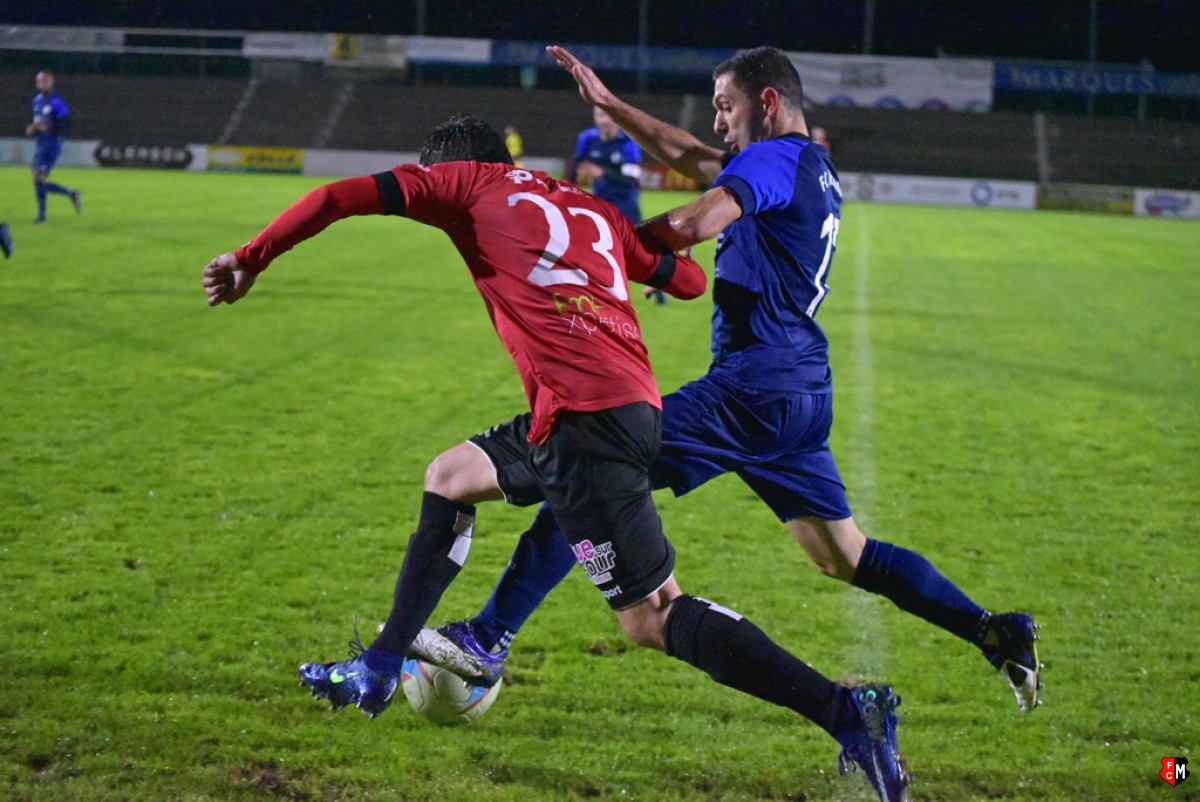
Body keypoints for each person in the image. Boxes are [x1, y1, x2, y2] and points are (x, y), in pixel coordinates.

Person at [202, 115, 910, 802]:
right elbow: (685, 282)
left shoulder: (462, 185)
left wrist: (250, 258)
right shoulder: (584, 203)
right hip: (622, 407)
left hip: (585, 426)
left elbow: (334, 197)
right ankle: (381, 662)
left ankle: (848, 713)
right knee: (450, 476)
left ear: (448, 166)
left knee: (653, 617)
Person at [413, 44, 1042, 733]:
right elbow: (690, 155)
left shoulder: (772, 159)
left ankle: (487, 636)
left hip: (753, 386)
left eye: (725, 106)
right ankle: (994, 631)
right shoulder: (809, 166)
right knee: (844, 555)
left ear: (766, 103)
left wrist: (588, 243)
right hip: (799, 391)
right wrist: (615, 107)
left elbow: (693, 223)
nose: (717, 122)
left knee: (591, 467)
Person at [572, 107, 666, 304]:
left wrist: (602, 173)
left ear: (616, 119)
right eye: (600, 115)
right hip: (601, 206)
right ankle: (598, 293)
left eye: (608, 116)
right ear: (594, 118)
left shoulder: (628, 143)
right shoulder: (587, 138)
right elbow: (575, 166)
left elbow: (631, 180)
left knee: (642, 251)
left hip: (626, 205)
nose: (604, 120)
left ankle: (660, 286)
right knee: (594, 249)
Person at [26, 70, 82, 224]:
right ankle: (71, 194)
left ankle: (42, 216)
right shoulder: (36, 101)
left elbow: (67, 122)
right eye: (38, 81)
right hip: (40, 144)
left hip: (52, 143)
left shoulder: (57, 101)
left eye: (43, 81)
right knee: (38, 180)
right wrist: (32, 128)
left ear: (50, 82)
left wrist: (50, 127)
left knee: (39, 177)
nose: (39, 84)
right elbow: (38, 123)